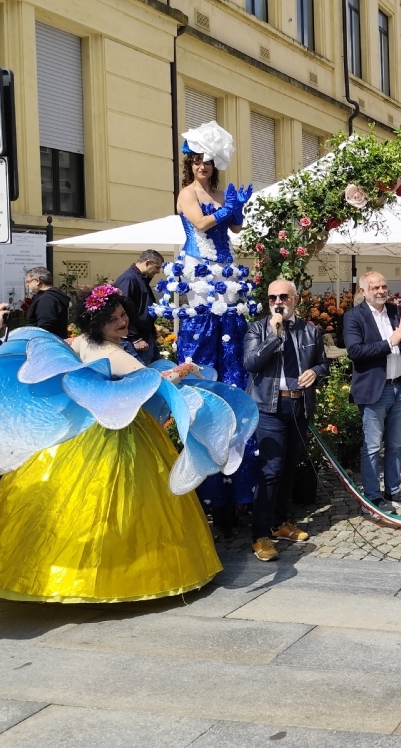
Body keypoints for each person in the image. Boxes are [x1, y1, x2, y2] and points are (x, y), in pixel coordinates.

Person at [0, 284, 254, 602]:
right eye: (114, 319)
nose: (123, 322)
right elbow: (149, 384)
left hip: (72, 434)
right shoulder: (113, 353)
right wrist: (184, 370)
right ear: (98, 323)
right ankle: (118, 575)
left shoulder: (78, 342)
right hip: (117, 436)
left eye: (123, 314)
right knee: (118, 506)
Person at [153, 123, 259, 518]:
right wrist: (227, 210)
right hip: (199, 280)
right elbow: (199, 224)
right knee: (201, 362)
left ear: (215, 165)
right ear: (190, 165)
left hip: (226, 278)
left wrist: (238, 209)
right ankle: (205, 484)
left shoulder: (218, 192)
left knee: (234, 365)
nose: (202, 167)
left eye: (207, 162)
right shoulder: (188, 193)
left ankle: (239, 482)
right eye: (196, 161)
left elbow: (235, 228)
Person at [243, 280, 329, 561]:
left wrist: (316, 372)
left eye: (283, 297)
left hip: (299, 404)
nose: (278, 302)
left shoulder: (311, 330)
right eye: (272, 298)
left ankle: (280, 523)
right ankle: (260, 536)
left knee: (289, 467)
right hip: (269, 406)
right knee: (271, 471)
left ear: (295, 299)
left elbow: (323, 363)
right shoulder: (258, 328)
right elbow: (252, 363)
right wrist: (273, 335)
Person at [344, 271, 401, 513]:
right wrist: (391, 341)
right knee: (373, 446)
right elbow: (355, 351)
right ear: (363, 291)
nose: (381, 291)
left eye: (384, 286)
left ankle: (393, 490)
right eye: (375, 287)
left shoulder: (396, 312)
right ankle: (372, 497)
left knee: (397, 444)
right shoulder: (354, 317)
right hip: (374, 390)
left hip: (398, 386)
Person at [114, 250, 164, 364]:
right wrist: (134, 337)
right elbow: (122, 309)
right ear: (147, 263)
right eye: (157, 267)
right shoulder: (129, 279)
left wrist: (151, 329)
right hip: (134, 340)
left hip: (145, 336)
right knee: (142, 376)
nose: (158, 271)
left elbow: (142, 307)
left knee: (157, 371)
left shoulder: (141, 279)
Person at [24, 266, 70, 338]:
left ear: (37, 281)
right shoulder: (52, 296)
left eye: (28, 282)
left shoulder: (46, 299)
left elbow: (45, 327)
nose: (27, 284)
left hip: (46, 344)